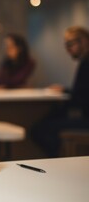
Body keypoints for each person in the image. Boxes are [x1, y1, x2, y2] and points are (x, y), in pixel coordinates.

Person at [31, 26, 89, 157]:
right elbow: (83, 92)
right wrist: (65, 90)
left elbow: (81, 99)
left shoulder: (86, 63)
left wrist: (67, 94)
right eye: (65, 45)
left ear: (84, 41)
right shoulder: (85, 62)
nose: (67, 49)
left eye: (70, 44)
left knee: (39, 130)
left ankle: (57, 161)